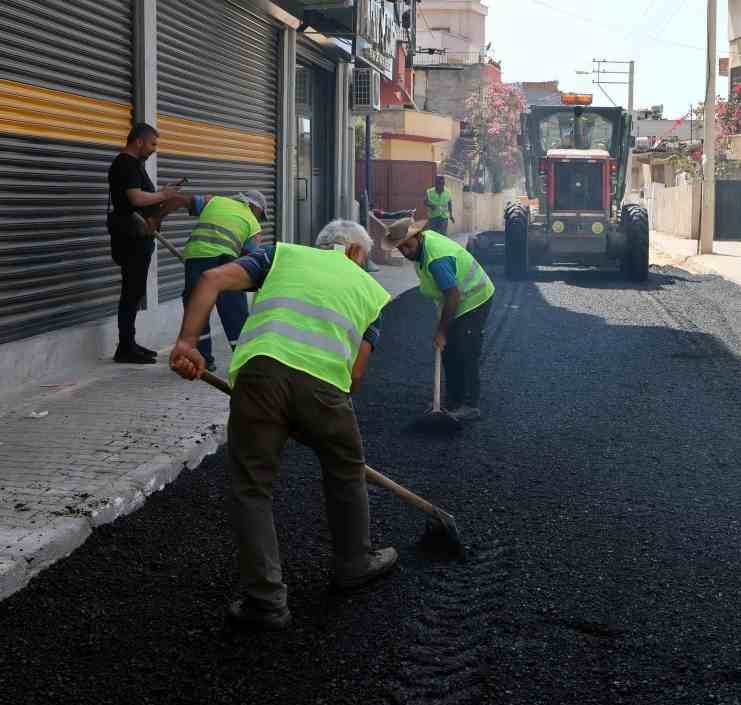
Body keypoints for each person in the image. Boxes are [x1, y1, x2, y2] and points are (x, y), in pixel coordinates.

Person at [169, 219, 397, 629]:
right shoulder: (370, 291)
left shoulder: (281, 255)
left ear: (321, 245)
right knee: (346, 470)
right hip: (325, 388)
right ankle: (354, 563)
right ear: (356, 253)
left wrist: (187, 343)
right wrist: (310, 417)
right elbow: (355, 375)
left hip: (258, 376)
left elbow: (211, 278)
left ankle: (265, 602)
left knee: (251, 488)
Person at [391, 216, 497, 420]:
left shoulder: (436, 260)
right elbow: (445, 294)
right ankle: (452, 400)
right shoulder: (422, 248)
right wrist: (444, 330)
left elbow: (453, 294)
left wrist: (441, 330)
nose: (405, 251)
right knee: (449, 349)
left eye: (407, 246)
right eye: (400, 248)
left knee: (466, 349)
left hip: (475, 297)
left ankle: (470, 404)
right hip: (455, 298)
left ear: (418, 236)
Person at [106, 123, 186, 364]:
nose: (154, 149)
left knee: (135, 290)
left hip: (138, 236)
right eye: (152, 144)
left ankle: (129, 343)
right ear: (138, 141)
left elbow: (140, 197)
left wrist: (163, 194)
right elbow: (135, 197)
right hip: (131, 238)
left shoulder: (132, 165)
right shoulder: (126, 164)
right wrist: (164, 196)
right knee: (131, 291)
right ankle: (125, 348)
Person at [181, 190, 268, 371]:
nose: (260, 219)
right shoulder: (252, 224)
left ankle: (203, 360)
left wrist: (154, 219)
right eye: (261, 214)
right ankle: (245, 361)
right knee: (234, 312)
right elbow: (251, 260)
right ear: (254, 206)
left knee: (198, 308)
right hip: (226, 262)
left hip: (195, 256)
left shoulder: (214, 201)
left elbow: (183, 200)